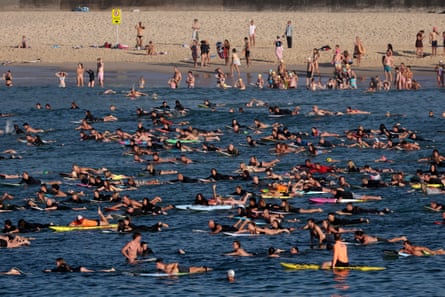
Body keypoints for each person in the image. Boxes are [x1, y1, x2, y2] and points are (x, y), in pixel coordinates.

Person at [44, 257, 115, 273]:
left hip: (79, 270)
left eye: (56, 262)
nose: (55, 263)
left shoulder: (61, 267)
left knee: (95, 272)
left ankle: (109, 270)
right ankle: (109, 270)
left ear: (59, 262)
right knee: (94, 271)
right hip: (79, 268)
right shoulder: (64, 265)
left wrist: (49, 270)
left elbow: (56, 270)